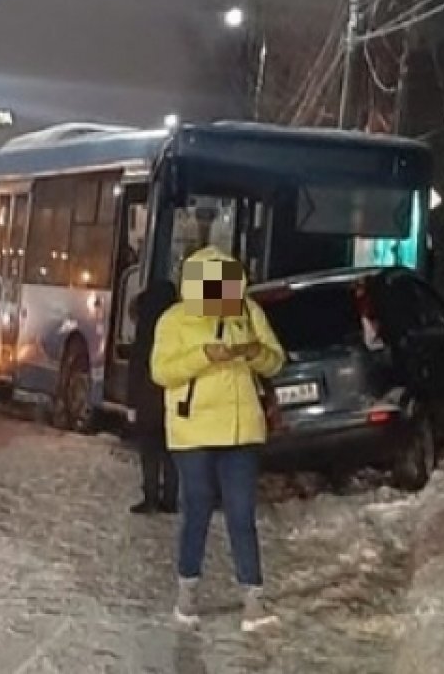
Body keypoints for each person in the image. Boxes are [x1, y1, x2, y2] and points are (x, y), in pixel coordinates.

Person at [150, 246, 285, 633]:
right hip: (192, 431)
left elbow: (276, 360)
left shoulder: (247, 311)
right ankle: (187, 594)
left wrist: (256, 353)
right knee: (197, 511)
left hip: (241, 430)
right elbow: (161, 371)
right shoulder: (174, 320)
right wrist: (204, 354)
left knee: (243, 515)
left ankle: (253, 603)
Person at [126, 279, 180, 515]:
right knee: (170, 450)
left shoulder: (146, 330)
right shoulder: (179, 325)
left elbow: (136, 366)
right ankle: (170, 498)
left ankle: (150, 497)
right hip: (172, 395)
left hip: (148, 397)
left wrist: (131, 402)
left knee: (149, 449)